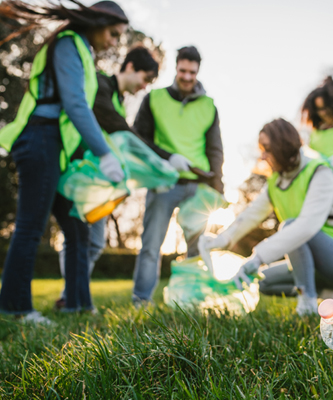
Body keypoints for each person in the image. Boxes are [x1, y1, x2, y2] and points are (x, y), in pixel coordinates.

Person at [0, 0, 128, 323]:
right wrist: (105, 153)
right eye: (113, 33)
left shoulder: (84, 52)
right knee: (31, 225)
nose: (114, 41)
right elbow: (75, 105)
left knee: (76, 226)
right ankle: (15, 308)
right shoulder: (69, 44)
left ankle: (78, 304)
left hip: (54, 147)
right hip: (39, 139)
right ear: (97, 22)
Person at [199, 119, 333, 315]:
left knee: (291, 226)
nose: (263, 156)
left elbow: (305, 227)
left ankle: (307, 303)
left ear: (283, 146)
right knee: (263, 281)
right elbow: (251, 215)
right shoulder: (276, 182)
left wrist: (257, 258)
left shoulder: (320, 172)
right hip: (318, 266)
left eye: (266, 148)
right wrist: (222, 239)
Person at [258, 77, 333, 303]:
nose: (324, 114)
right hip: (327, 196)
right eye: (319, 110)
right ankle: (329, 292)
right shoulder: (316, 134)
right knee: (314, 239)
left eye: (327, 109)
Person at [54, 46, 159, 310]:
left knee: (96, 241)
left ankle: (72, 292)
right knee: (76, 236)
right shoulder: (100, 85)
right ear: (131, 67)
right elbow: (116, 126)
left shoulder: (118, 99)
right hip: (78, 172)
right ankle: (72, 295)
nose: (144, 87)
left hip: (99, 180)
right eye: (145, 78)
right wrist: (157, 158)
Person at [132, 45, 224, 305]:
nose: (186, 77)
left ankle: (191, 300)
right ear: (176, 68)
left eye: (192, 72)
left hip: (197, 186)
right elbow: (138, 138)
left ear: (198, 71)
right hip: (163, 181)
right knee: (151, 244)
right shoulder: (155, 98)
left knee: (196, 248)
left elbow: (215, 150)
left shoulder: (209, 106)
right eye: (183, 70)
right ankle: (141, 299)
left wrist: (218, 187)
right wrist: (166, 157)